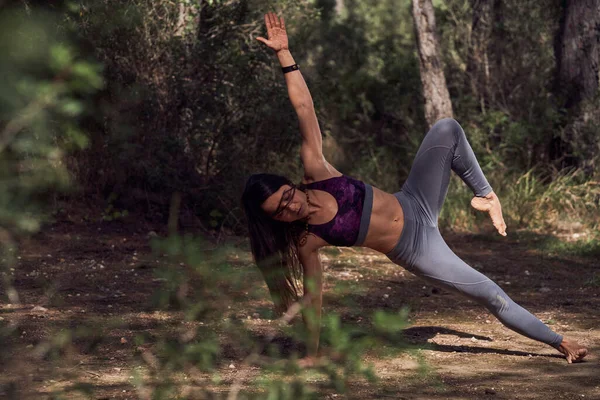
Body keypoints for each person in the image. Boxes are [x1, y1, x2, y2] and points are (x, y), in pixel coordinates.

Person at [242, 12, 588, 366]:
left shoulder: (317, 170)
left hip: (415, 200)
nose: (291, 207)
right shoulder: (307, 240)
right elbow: (312, 298)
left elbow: (304, 107)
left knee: (447, 129)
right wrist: (312, 354)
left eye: (287, 196)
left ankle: (486, 195)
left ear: (291, 184)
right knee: (489, 293)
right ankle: (560, 342)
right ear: (275, 221)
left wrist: (284, 55)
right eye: (280, 212)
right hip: (416, 247)